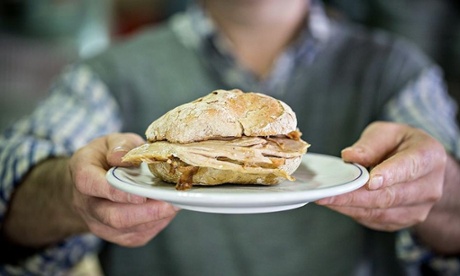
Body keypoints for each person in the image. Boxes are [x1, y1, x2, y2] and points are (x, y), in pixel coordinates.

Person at [0, 0, 459, 275]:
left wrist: (436, 185)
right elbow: (11, 184)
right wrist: (67, 190)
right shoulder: (108, 72)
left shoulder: (398, 73)